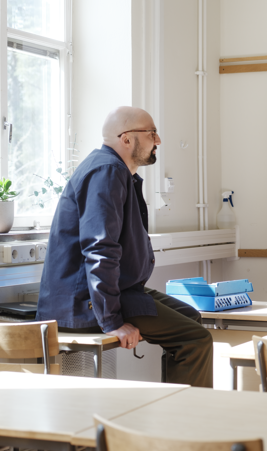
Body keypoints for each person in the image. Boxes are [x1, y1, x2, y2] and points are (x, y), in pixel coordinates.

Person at [36, 106, 213, 388]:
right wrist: (111, 321)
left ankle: (176, 402)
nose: (158, 140)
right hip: (83, 302)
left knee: (190, 318)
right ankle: (184, 425)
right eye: (152, 132)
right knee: (195, 339)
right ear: (127, 139)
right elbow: (100, 249)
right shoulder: (107, 171)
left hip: (113, 292)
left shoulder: (116, 171)